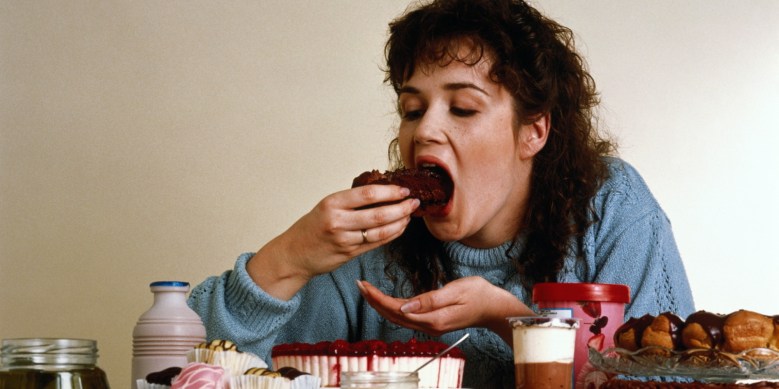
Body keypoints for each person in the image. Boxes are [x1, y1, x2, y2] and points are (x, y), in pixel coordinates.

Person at [188, 0, 695, 387]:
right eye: (412, 110)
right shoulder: (370, 240)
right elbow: (199, 365)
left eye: (463, 109)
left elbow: (669, 375)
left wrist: (506, 319)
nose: (424, 132)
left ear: (533, 131)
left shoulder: (610, 206)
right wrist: (291, 257)